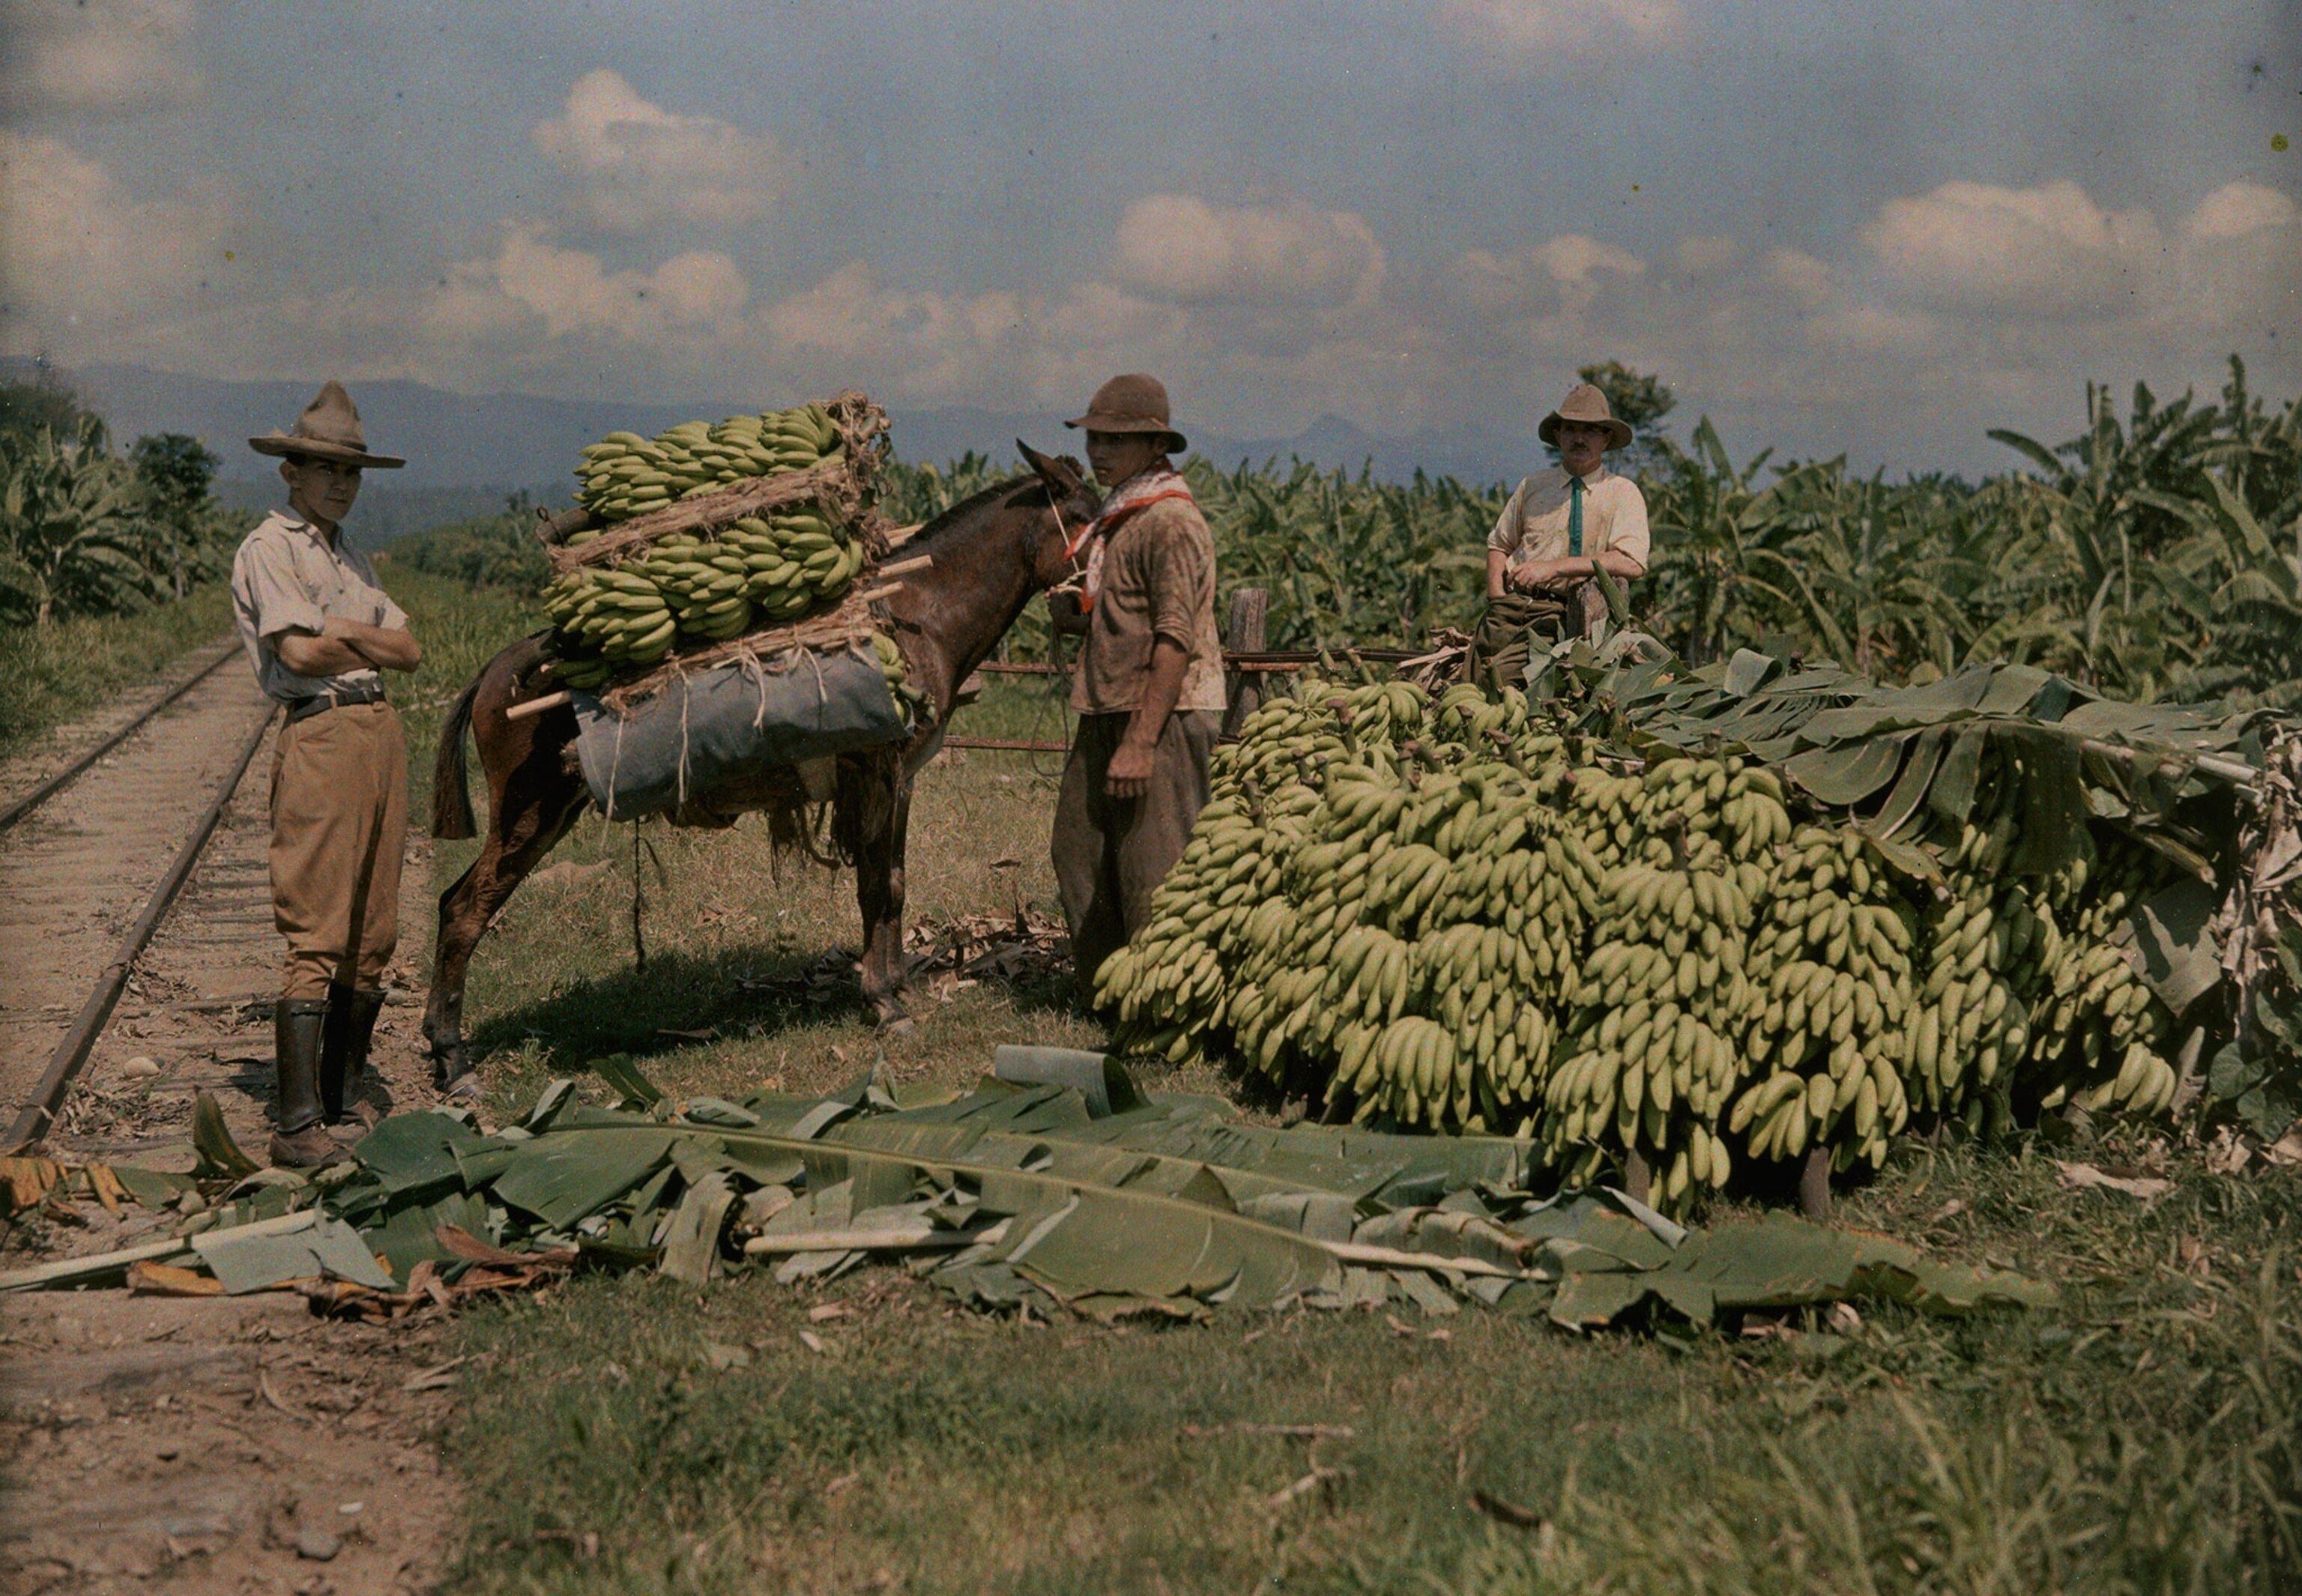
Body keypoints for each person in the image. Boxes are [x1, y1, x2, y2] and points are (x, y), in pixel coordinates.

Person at [232, 382, 421, 1167]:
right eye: (325, 470)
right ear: (291, 473)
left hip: (378, 732)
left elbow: (409, 651)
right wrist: (359, 636)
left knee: (372, 933)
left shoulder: (350, 555)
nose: (342, 484)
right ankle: (296, 1122)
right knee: (317, 931)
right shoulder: (270, 548)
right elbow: (299, 656)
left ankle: (343, 1099)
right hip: (322, 735)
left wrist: (336, 626)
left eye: (352, 473)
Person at [1047, 374, 1226, 1007]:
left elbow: (1175, 637)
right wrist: (1082, 619)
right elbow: (1132, 614)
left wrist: (1141, 743)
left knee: (1157, 869)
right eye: (1094, 437)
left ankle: (1167, 1008)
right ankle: (1108, 996)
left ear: (1153, 445)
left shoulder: (1170, 519)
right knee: (1078, 853)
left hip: (1164, 714)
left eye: (1115, 440)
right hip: (1108, 705)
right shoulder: (1122, 515)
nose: (1098, 451)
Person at [1471, 381, 1652, 690]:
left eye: (1590, 431)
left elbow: (1632, 563)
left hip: (1586, 616)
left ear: (1606, 439)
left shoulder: (1622, 493)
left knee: (1504, 682)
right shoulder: (1534, 486)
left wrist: (1555, 567)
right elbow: (1498, 545)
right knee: (1478, 682)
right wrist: (1497, 600)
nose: (1579, 439)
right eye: (1570, 430)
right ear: (1558, 436)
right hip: (1518, 609)